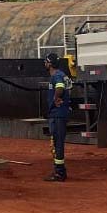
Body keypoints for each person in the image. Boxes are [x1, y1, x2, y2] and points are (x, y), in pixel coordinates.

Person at [43, 53, 70, 182]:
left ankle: (59, 172)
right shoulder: (60, 74)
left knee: (57, 143)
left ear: (50, 64)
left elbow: (59, 88)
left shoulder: (57, 76)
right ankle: (60, 170)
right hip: (58, 114)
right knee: (56, 143)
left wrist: (56, 98)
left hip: (57, 115)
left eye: (46, 62)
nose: (45, 64)